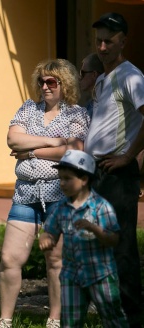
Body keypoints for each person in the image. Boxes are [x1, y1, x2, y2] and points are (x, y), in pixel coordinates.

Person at [0, 59, 90, 328]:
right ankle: (4, 320)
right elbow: (13, 140)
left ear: (65, 84)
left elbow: (75, 150)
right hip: (26, 192)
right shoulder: (27, 108)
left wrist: (33, 151)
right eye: (42, 81)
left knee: (56, 259)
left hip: (59, 194)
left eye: (52, 82)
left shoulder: (76, 114)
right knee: (9, 258)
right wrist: (53, 141)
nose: (45, 86)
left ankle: (55, 319)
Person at [84, 12, 144, 327]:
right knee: (100, 243)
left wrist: (128, 157)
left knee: (121, 245)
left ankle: (133, 317)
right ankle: (112, 313)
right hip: (98, 171)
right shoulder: (105, 78)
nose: (103, 47)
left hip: (117, 173)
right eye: (99, 41)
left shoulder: (130, 75)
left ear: (123, 40)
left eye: (109, 41)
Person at [39, 150, 128, 327]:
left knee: (113, 317)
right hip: (72, 276)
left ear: (84, 179)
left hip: (100, 275)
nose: (62, 183)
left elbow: (114, 239)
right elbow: (50, 231)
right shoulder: (61, 208)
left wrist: (95, 229)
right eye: (60, 178)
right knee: (71, 321)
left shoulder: (101, 207)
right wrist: (46, 239)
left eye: (68, 179)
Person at [79, 53, 104, 118]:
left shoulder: (105, 104)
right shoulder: (89, 104)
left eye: (82, 73)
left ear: (94, 74)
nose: (79, 77)